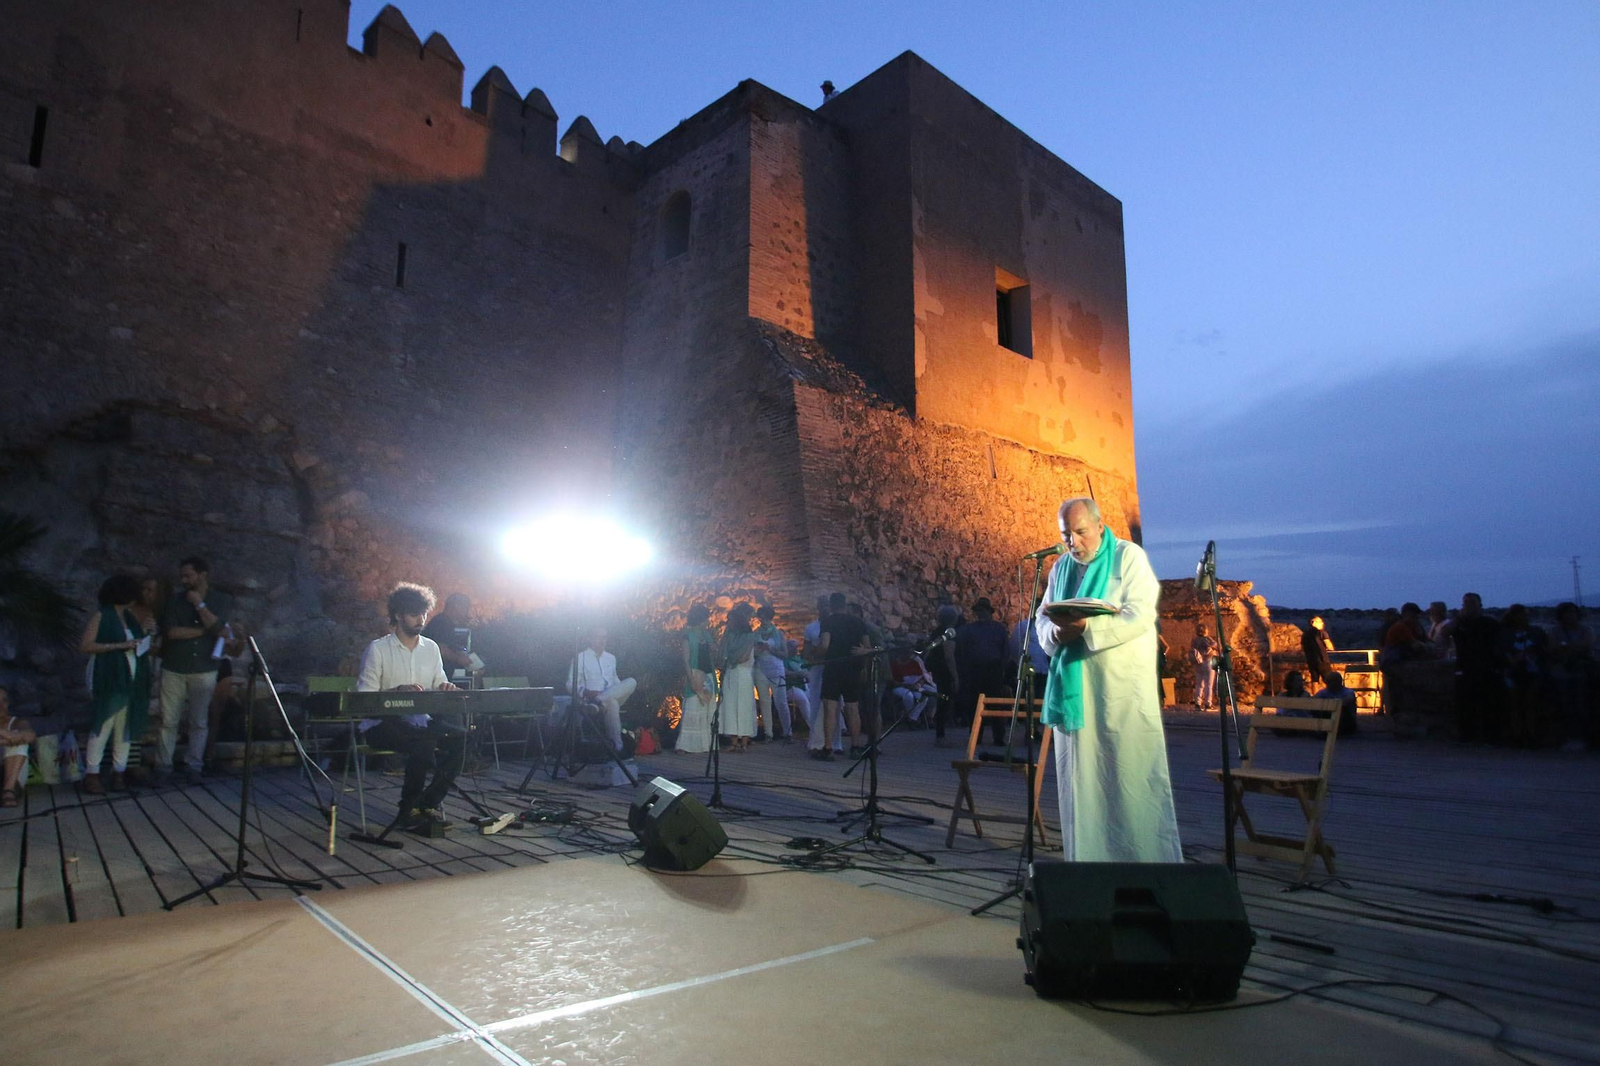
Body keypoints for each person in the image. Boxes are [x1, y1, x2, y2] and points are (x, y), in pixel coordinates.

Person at [1035, 497, 1181, 863]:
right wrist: (1056, 635)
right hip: (1075, 692)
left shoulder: (1128, 557)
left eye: (1081, 533)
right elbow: (1042, 619)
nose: (1073, 543)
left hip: (1118, 691)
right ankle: (1087, 862)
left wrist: (1087, 628)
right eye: (1066, 535)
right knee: (1081, 784)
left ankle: (1144, 861)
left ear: (1100, 526)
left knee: (1128, 777)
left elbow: (1140, 614)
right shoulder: (1060, 569)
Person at [356, 583, 466, 831]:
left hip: (420, 721)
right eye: (415, 613)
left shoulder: (431, 648)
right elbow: (364, 697)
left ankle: (426, 804)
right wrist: (396, 691)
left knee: (460, 739)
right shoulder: (378, 649)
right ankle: (408, 809)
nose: (421, 619)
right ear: (397, 615)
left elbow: (439, 682)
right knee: (424, 741)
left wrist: (445, 687)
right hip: (381, 724)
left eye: (424, 613)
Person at [155, 556, 232, 785]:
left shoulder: (221, 600)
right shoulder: (174, 601)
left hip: (204, 668)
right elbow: (172, 633)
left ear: (202, 575)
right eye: (182, 576)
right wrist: (205, 632)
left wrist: (199, 604)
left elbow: (219, 627)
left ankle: (193, 765)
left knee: (199, 720)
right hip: (175, 666)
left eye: (188, 575)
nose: (184, 580)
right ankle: (163, 766)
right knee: (168, 720)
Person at [79, 574, 155, 795]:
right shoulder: (102, 615)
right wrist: (119, 645)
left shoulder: (129, 618)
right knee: (104, 721)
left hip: (130, 678)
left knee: (125, 724)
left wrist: (148, 633)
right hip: (109, 676)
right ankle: (92, 774)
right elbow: (86, 645)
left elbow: (139, 645)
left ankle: (118, 772)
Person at [808, 592, 873, 760]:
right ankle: (855, 746)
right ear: (845, 605)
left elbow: (824, 645)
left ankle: (828, 748)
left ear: (831, 605)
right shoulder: (858, 622)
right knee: (852, 707)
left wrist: (815, 655)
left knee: (830, 707)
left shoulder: (828, 622)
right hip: (853, 668)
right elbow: (867, 647)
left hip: (833, 668)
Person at [569, 625, 637, 753]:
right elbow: (569, 684)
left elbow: (615, 681)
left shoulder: (611, 658)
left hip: (602, 698)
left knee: (631, 681)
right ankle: (618, 747)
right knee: (612, 703)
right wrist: (587, 693)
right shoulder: (580, 658)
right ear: (590, 639)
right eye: (598, 637)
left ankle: (599, 701)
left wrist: (620, 689)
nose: (602, 641)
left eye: (604, 637)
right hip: (589, 700)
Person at [1451, 592, 1503, 743]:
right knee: (1464, 704)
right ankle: (1466, 736)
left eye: (1472, 602)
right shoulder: (1459, 623)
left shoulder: (1490, 623)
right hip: (1464, 667)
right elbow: (1444, 633)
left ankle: (1490, 736)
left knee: (1489, 704)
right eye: (1466, 603)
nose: (1469, 606)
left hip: (1487, 668)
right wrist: (1459, 618)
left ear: (1480, 605)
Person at [956, 597, 1009, 745]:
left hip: (993, 669)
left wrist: (1002, 668)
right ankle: (975, 736)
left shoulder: (999, 629)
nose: (981, 613)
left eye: (983, 610)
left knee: (996, 704)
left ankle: (998, 736)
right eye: (979, 611)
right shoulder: (969, 630)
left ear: (989, 612)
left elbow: (1005, 650)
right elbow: (962, 651)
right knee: (974, 704)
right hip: (975, 670)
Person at [1498, 604, 1547, 747]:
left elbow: (1544, 650)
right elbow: (1500, 652)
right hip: (1512, 672)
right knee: (1515, 705)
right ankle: (1517, 735)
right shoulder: (1505, 634)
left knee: (1530, 704)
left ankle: (1531, 735)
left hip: (1533, 672)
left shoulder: (1536, 632)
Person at [1549, 602, 1594, 752]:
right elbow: (1553, 647)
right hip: (1562, 673)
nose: (1571, 616)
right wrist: (1574, 646)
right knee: (1565, 705)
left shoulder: (1586, 629)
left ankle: (1583, 738)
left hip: (1581, 672)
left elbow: (1587, 644)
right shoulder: (1555, 631)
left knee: (1581, 704)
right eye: (1567, 613)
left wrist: (1566, 646)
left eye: (1573, 613)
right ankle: (1568, 737)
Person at [716, 603, 759, 752]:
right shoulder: (729, 636)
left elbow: (744, 657)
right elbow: (722, 652)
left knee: (744, 707)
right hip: (730, 674)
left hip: (742, 673)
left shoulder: (748, 636)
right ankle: (733, 741)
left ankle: (744, 742)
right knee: (730, 706)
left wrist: (731, 658)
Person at [676, 605, 716, 754]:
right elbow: (686, 660)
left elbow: (711, 654)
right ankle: (686, 745)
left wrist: (713, 649)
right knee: (692, 708)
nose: (707, 621)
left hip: (708, 675)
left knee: (707, 709)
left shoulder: (707, 636)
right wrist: (691, 678)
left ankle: (706, 745)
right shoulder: (688, 636)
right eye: (705, 618)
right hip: (695, 673)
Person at [752, 604, 793, 743]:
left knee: (781, 701)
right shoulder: (756, 633)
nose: (761, 619)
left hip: (776, 667)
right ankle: (768, 733)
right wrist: (756, 651)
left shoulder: (778, 633)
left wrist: (770, 649)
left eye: (763, 616)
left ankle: (788, 732)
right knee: (764, 701)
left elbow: (785, 653)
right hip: (760, 668)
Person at [423, 593, 481, 686]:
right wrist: (459, 659)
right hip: (436, 679)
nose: (467, 611)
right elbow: (441, 650)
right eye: (466, 607)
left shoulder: (443, 621)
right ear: (457, 606)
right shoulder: (442, 622)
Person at [927, 603, 961, 748]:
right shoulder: (949, 633)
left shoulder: (935, 632)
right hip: (945, 672)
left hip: (937, 670)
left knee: (942, 702)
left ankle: (940, 734)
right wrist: (955, 676)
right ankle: (940, 736)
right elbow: (949, 656)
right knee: (945, 702)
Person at [0, 686, 36, 808]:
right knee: (16, 739)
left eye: (4, 701)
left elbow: (30, 736)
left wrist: (11, 738)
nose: (0, 705)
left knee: (20, 743)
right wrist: (5, 735)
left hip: (13, 778)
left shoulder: (17, 721)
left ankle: (8, 790)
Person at [887, 647, 938, 727]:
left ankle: (913, 718)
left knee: (924, 697)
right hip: (900, 686)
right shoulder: (894, 664)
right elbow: (892, 681)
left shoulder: (914, 663)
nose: (908, 656)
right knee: (909, 696)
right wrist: (906, 686)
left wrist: (918, 685)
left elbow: (921, 678)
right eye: (906, 654)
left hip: (915, 686)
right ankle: (910, 718)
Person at [1315, 669, 1360, 736]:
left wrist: (1330, 705)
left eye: (1332, 682)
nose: (1330, 684)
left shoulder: (1348, 692)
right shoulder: (1323, 692)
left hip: (1346, 721)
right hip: (1329, 716)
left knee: (1341, 709)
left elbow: (1349, 700)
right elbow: (1314, 701)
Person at [1190, 624, 1218, 710]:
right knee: (1208, 685)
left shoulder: (1194, 640)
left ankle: (1197, 704)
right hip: (1207, 662)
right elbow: (1215, 645)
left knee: (1199, 684)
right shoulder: (1207, 639)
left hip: (1198, 663)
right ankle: (1208, 704)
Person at [1301, 616, 1334, 685]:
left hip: (1311, 660)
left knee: (1314, 680)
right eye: (1320, 622)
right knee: (1329, 680)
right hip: (1322, 660)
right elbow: (1330, 646)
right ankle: (1331, 694)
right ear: (1313, 623)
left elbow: (1303, 647)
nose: (1322, 623)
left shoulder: (1305, 635)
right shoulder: (1321, 633)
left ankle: (1315, 695)